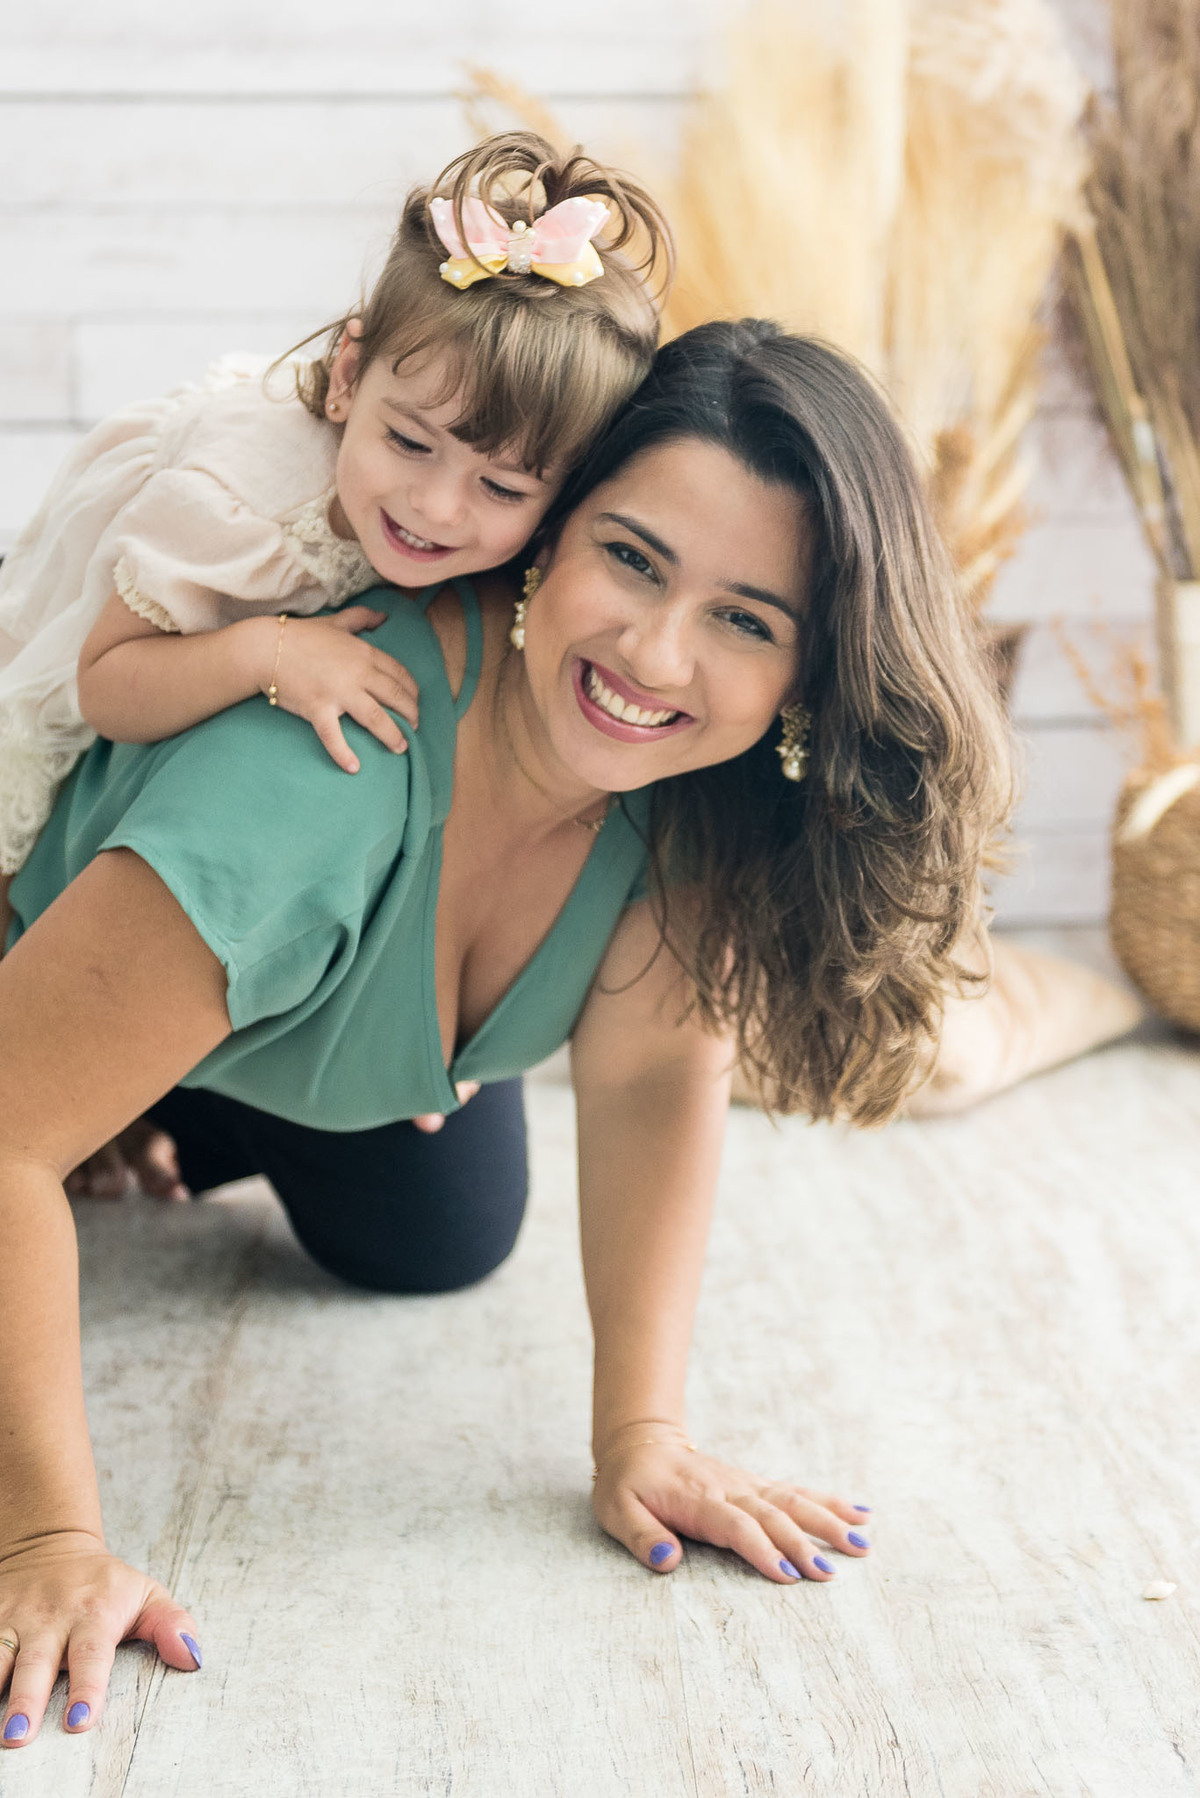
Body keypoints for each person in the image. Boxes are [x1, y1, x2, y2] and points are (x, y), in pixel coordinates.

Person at [0, 319, 1011, 1749]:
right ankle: (95, 1067)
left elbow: (661, 1064)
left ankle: (152, 1085)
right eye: (634, 560)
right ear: (549, 534)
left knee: (438, 1231)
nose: (654, 654)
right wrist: (42, 1542)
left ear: (809, 673)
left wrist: (641, 1434)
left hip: (290, 994)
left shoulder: (685, 790)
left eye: (746, 619)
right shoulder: (317, 778)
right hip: (55, 948)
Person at [0, 131, 669, 943]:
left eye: (501, 486)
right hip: (61, 657)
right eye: (410, 444)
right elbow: (103, 681)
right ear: (348, 376)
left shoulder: (501, 538)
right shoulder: (235, 503)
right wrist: (271, 653)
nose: (438, 507)